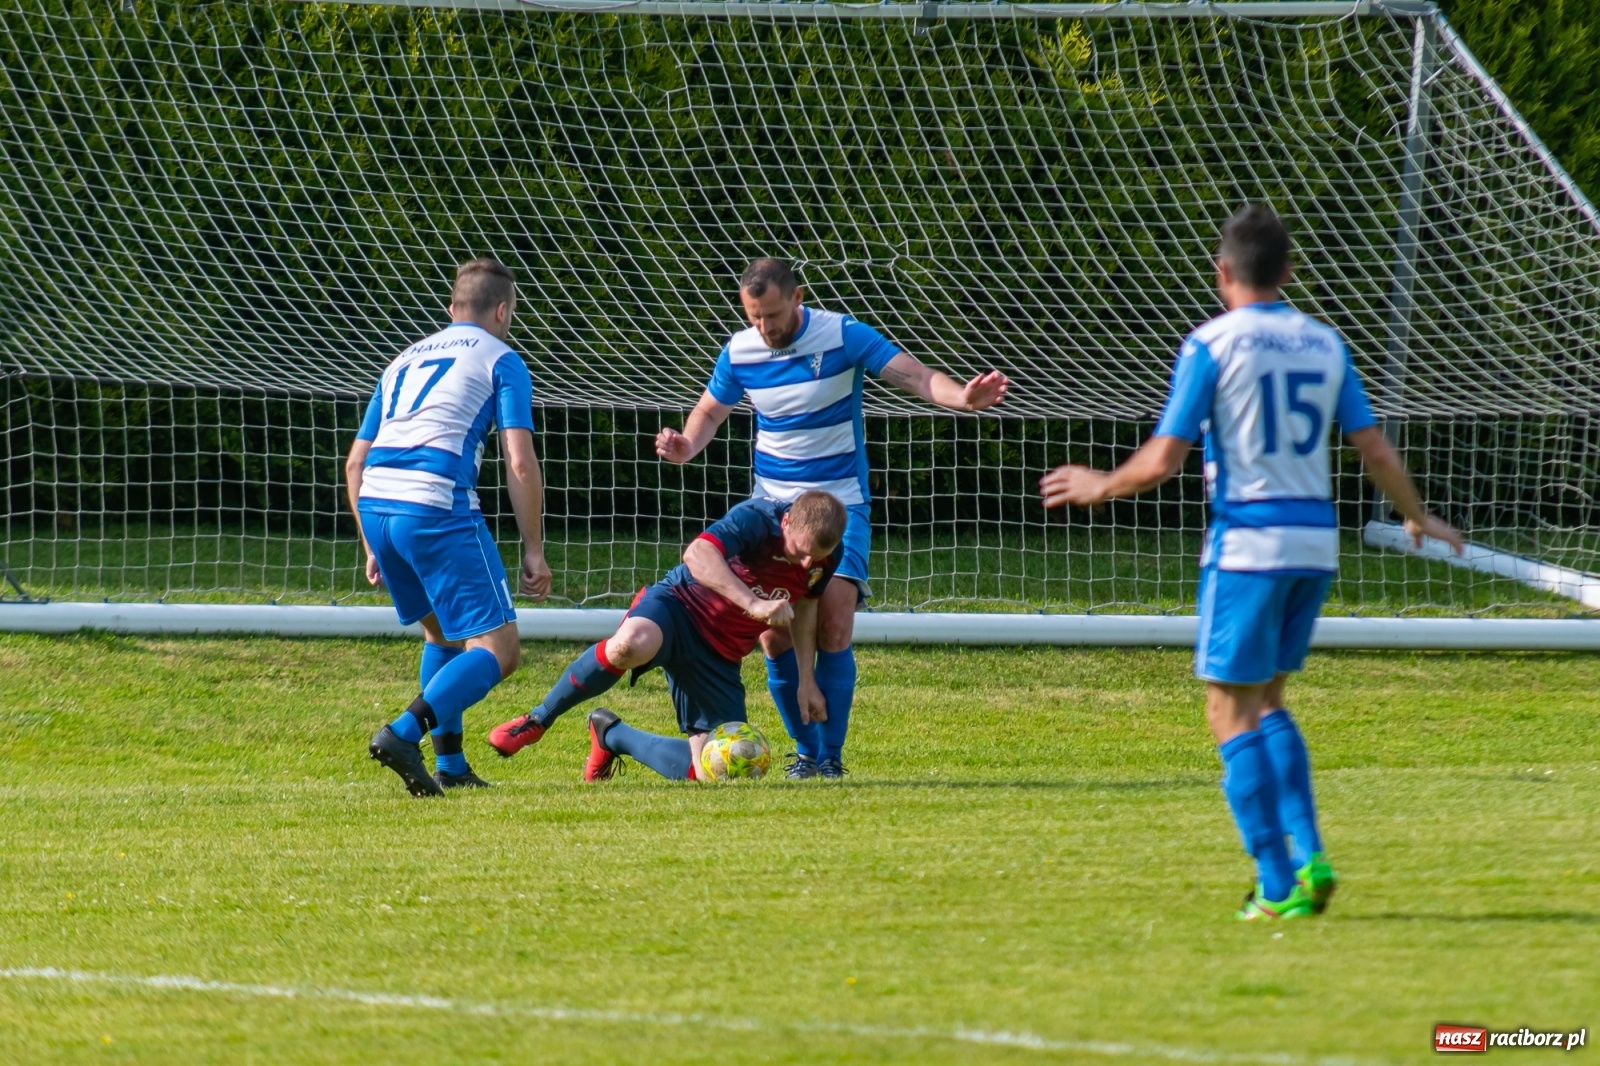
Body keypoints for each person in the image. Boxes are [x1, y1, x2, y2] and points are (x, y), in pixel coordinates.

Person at [1040, 205, 1464, 920]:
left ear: (1222, 273)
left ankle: (1275, 885)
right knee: (1269, 702)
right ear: (1289, 272)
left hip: (1247, 546)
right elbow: (1376, 449)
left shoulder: (1211, 345)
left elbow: (1166, 459)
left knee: (1226, 710)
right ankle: (1312, 854)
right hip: (1313, 546)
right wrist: (1417, 516)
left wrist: (1099, 485)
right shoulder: (1325, 343)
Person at [652, 258, 1010, 779]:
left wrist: (961, 397)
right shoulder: (741, 350)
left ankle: (830, 759)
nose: (765, 329)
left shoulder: (842, 334)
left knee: (835, 623)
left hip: (842, 502)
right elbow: (710, 410)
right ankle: (805, 755)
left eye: (772, 315)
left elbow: (910, 374)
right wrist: (688, 444)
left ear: (799, 297)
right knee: (774, 632)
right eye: (754, 317)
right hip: (773, 510)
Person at [346, 257, 551, 797]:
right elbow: (520, 462)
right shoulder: (502, 359)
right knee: (500, 650)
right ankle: (402, 732)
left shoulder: (401, 360)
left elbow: (354, 462)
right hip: (436, 508)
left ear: (451, 308)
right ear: (503, 310)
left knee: (441, 633)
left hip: (378, 506)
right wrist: (534, 549)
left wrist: (373, 542)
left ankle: (453, 767)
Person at [487, 491, 845, 782]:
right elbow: (697, 553)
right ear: (786, 522)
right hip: (677, 608)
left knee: (713, 772)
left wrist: (806, 681)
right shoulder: (755, 519)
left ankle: (611, 734)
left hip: (719, 654)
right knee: (630, 645)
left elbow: (806, 607)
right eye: (801, 551)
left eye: (817, 556)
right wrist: (753, 603)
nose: (805, 564)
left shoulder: (825, 557)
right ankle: (537, 719)